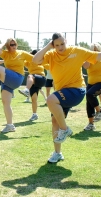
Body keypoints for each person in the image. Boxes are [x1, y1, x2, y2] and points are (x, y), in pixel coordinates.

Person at [33, 32, 101, 163]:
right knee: (55, 121)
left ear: (66, 41)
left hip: (77, 90)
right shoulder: (51, 55)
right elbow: (35, 60)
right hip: (62, 94)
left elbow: (97, 56)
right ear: (53, 45)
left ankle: (65, 130)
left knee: (50, 99)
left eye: (62, 44)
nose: (60, 47)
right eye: (57, 45)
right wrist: (49, 46)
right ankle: (57, 153)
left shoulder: (77, 51)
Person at [0, 38, 34, 133]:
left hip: (17, 77)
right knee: (5, 103)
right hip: (7, 80)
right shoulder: (5, 53)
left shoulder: (22, 53)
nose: (14, 46)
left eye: (15, 44)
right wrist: (5, 42)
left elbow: (35, 58)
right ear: (8, 46)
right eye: (11, 45)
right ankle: (10, 125)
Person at [18, 50, 46, 121]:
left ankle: (26, 90)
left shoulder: (40, 60)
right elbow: (21, 60)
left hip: (41, 78)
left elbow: (49, 65)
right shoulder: (28, 62)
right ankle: (34, 114)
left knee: (30, 76)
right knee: (34, 99)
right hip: (33, 82)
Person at [82, 43, 101, 131]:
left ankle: (99, 111)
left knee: (89, 94)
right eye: (92, 50)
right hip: (90, 83)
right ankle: (91, 124)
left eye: (96, 50)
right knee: (89, 103)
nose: (94, 52)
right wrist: (89, 56)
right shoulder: (89, 60)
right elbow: (85, 66)